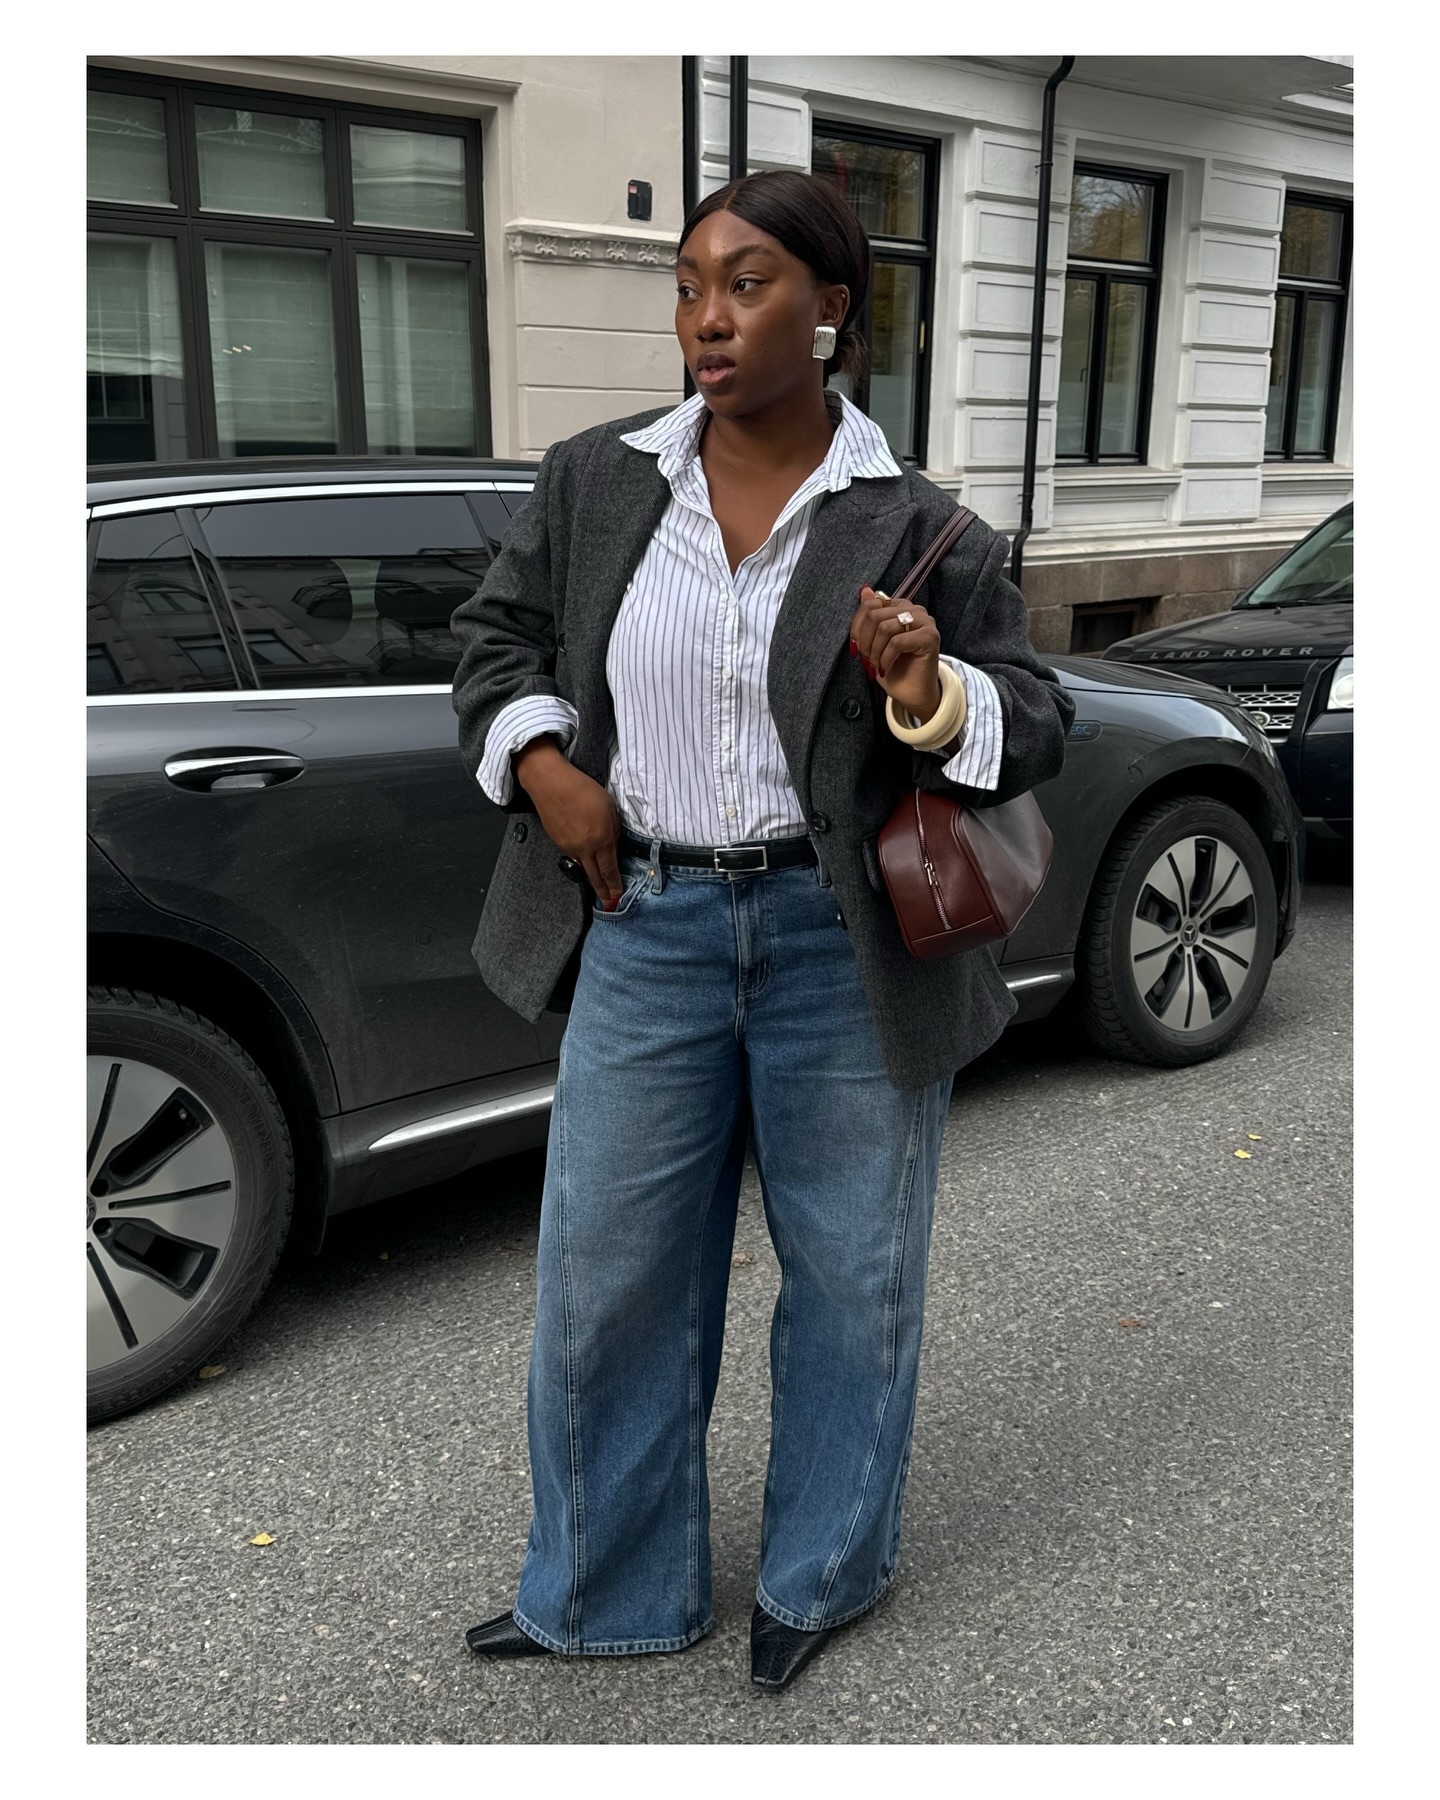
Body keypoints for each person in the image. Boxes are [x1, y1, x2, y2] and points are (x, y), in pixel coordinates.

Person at [450, 169, 1074, 1692]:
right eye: (687, 288)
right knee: (607, 1280)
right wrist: (550, 772)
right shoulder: (602, 479)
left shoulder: (918, 525)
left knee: (854, 1276)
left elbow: (1035, 718)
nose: (706, 321)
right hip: (645, 920)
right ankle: (600, 1586)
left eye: (745, 285)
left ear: (831, 309)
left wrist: (928, 689)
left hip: (835, 941)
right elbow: (493, 641)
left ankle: (824, 1570)